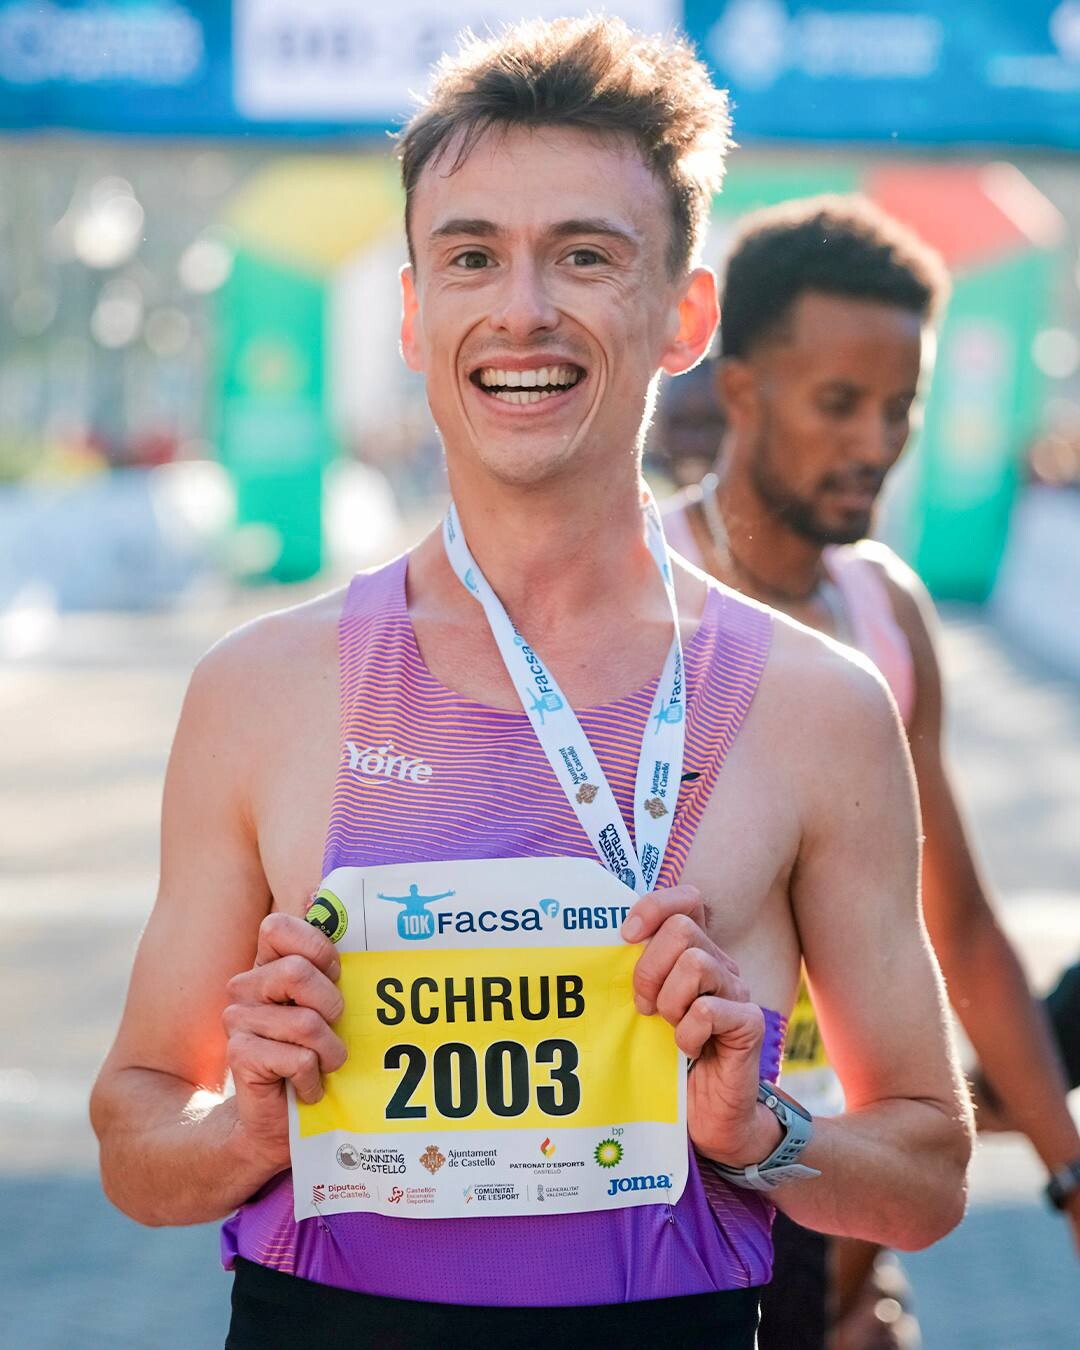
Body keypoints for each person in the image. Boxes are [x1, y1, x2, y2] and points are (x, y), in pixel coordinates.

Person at [90, 23, 972, 1349]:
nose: (521, 310)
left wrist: (762, 1133)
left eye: (584, 256)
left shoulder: (817, 708)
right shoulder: (259, 690)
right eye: (471, 257)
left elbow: (929, 1170)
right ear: (414, 313)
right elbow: (136, 1137)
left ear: (684, 315)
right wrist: (246, 1129)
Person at [660, 195, 1080, 1349]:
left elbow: (961, 928)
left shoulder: (884, 609)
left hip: (841, 1184)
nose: (875, 443)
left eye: (901, 407)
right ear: (741, 390)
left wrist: (1068, 1178)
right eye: (839, 402)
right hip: (671, 1195)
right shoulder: (638, 597)